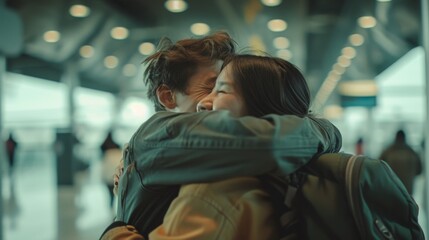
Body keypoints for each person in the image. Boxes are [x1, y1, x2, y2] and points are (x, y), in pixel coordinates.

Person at [101, 54, 342, 239]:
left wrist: (115, 231)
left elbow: (269, 143)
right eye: (210, 86)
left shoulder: (213, 190)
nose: (205, 103)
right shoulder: (291, 174)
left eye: (221, 89)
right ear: (167, 97)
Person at [379, 129, 422, 194]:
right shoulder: (412, 153)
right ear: (405, 138)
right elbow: (419, 171)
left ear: (395, 138)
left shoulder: (387, 152)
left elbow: (378, 169)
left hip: (392, 189)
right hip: (408, 190)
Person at [100, 131, 122, 209]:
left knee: (110, 193)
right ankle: (116, 207)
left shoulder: (104, 148)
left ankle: (111, 205)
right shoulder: (117, 148)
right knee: (116, 191)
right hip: (115, 173)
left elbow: (104, 165)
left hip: (108, 175)